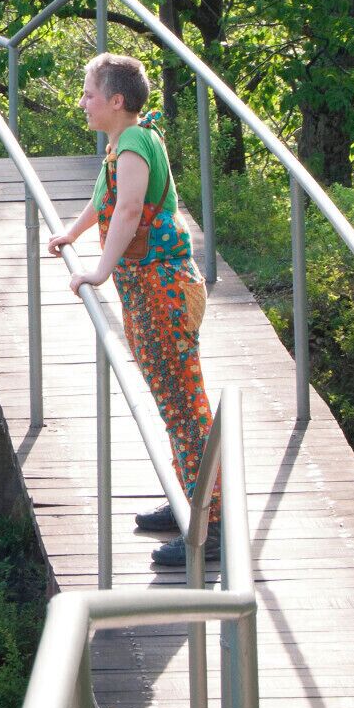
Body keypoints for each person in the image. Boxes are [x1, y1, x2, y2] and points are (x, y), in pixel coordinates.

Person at [46, 52, 219, 572]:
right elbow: (106, 201)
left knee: (185, 405)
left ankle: (211, 527)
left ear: (117, 101)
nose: (83, 103)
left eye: (89, 94)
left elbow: (127, 209)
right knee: (173, 400)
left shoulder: (135, 145)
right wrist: (72, 235)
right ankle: (190, 497)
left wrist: (97, 270)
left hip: (162, 291)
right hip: (147, 292)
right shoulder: (124, 143)